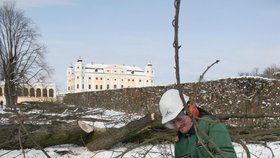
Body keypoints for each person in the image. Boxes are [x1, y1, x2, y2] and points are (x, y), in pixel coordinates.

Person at [159, 89, 237, 158]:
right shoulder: (180, 142)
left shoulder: (212, 127)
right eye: (172, 122)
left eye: (179, 119)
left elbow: (227, 155)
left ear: (190, 110)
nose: (178, 125)